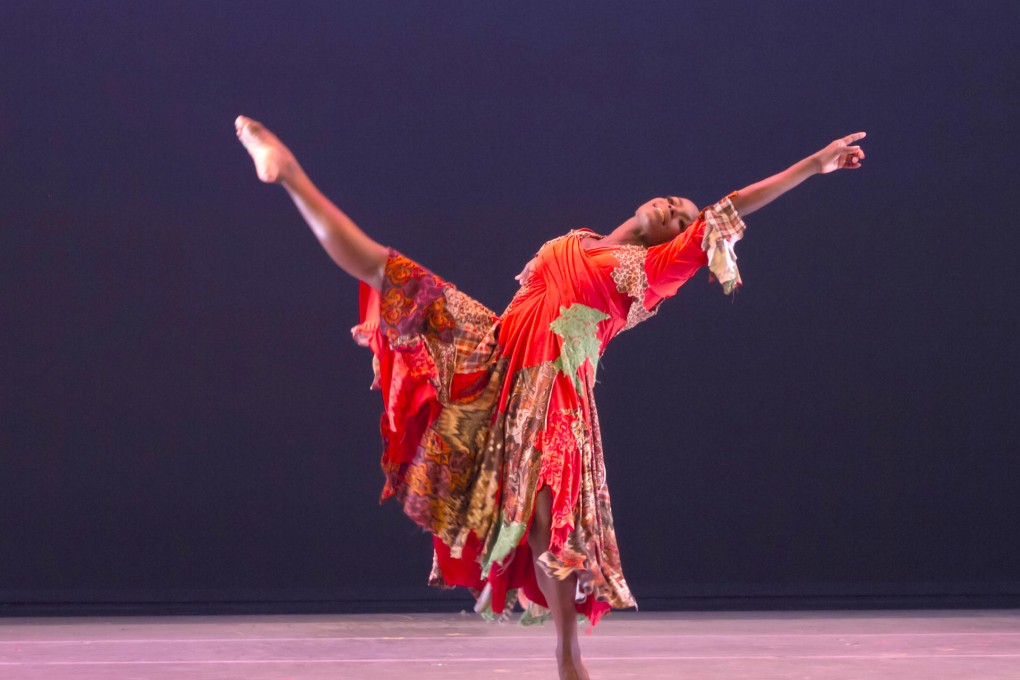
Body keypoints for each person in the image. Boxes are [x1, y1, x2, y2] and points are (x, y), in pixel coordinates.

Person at [235, 115, 865, 680]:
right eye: (673, 201)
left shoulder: (651, 273)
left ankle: (567, 656)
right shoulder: (575, 239)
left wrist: (815, 163)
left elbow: (730, 209)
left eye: (681, 217)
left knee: (544, 517)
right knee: (392, 273)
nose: (673, 208)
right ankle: (289, 175)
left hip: (556, 388)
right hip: (497, 349)